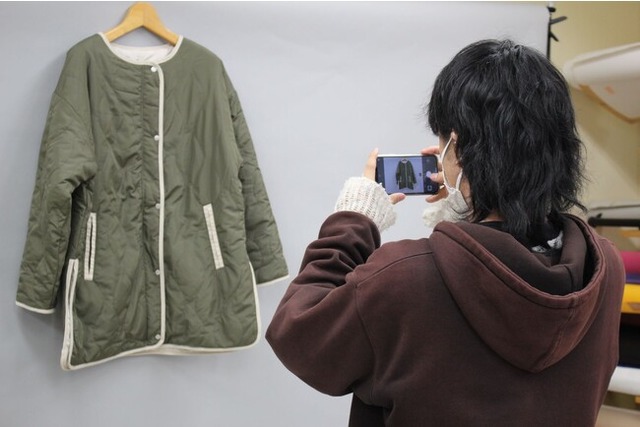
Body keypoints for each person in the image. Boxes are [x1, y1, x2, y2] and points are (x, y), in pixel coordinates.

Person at [266, 39, 625, 426]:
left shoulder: (404, 276)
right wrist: (466, 214)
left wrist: (354, 219)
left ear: (458, 148)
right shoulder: (603, 267)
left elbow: (299, 334)